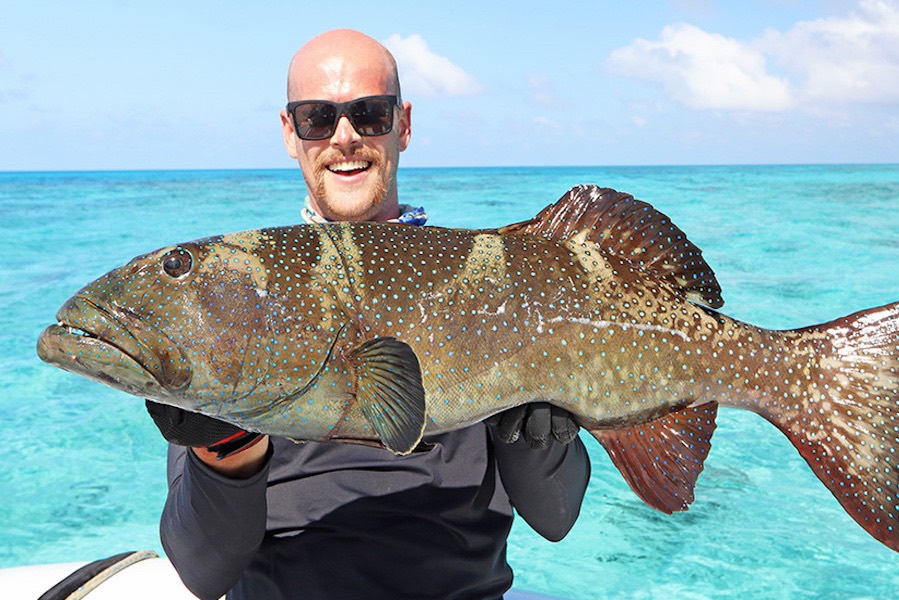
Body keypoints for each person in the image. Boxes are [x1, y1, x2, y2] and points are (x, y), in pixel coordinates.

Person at [147, 29, 591, 600]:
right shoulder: (238, 301)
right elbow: (202, 571)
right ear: (290, 132)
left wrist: (537, 438)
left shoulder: (489, 289)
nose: (346, 137)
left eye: (370, 114)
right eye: (317, 118)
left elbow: (555, 517)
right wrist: (224, 450)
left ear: (403, 124)